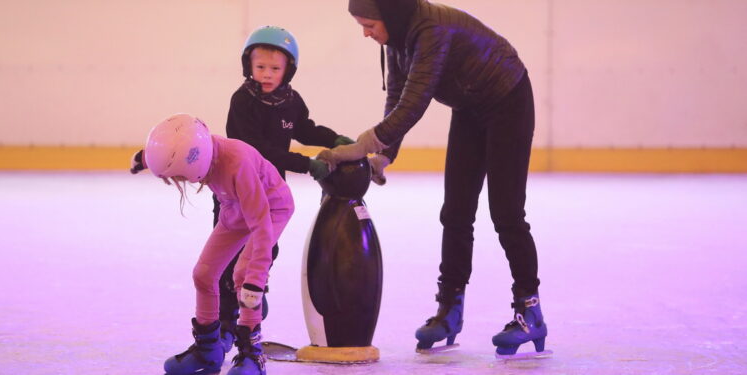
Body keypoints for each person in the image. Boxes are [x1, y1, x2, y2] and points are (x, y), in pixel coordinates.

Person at [318, 0, 548, 357]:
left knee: (506, 213)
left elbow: (415, 101)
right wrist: (383, 155)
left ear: (389, 15)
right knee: (455, 211)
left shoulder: (431, 30)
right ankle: (449, 310)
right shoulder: (395, 37)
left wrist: (362, 146)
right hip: (470, 107)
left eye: (368, 25)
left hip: (508, 99)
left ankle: (529, 310)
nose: (365, 33)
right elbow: (397, 96)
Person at [211, 25, 355, 352]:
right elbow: (258, 150)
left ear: (288, 70)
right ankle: (223, 320)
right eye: (260, 67)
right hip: (235, 192)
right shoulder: (242, 102)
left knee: (266, 249)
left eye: (275, 68)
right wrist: (307, 164)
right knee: (229, 252)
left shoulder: (290, 101)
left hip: (269, 194)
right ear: (248, 66)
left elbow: (304, 129)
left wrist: (332, 139)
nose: (266, 74)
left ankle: (253, 289)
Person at [136, 113, 294, 375]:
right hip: (235, 207)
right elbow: (177, 145)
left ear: (194, 165)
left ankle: (252, 355)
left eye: (181, 178)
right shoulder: (199, 151)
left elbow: (261, 225)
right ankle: (208, 351)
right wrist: (145, 158)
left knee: (243, 275)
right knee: (204, 274)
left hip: (271, 208)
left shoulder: (237, 163)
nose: (183, 183)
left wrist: (257, 276)